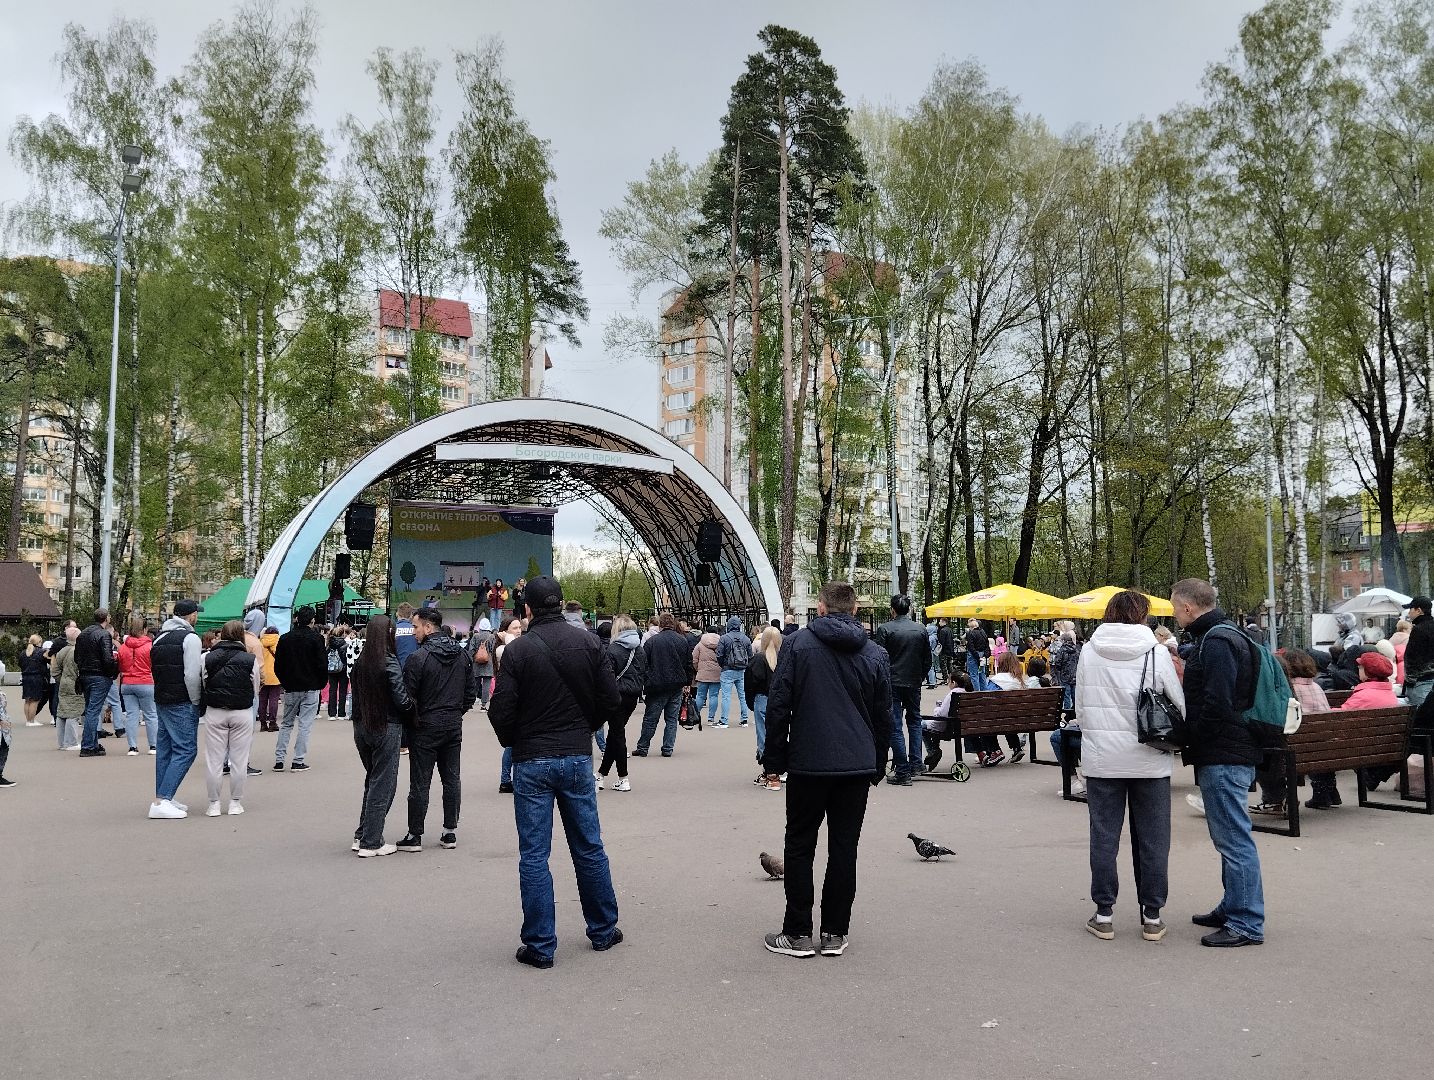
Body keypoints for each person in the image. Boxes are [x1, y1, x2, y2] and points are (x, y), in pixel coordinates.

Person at [488, 575, 624, 968]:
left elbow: (501, 711)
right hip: (576, 756)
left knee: (534, 854)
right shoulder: (590, 643)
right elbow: (610, 699)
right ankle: (602, 930)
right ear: (562, 603)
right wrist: (583, 728)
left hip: (531, 760)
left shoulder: (517, 652)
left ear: (527, 608)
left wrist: (518, 740)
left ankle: (540, 945)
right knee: (589, 846)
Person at [761, 581, 891, 959]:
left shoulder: (798, 645)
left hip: (808, 762)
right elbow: (884, 716)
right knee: (844, 848)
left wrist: (775, 759)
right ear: (854, 610)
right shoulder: (874, 653)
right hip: (856, 764)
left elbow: (778, 704)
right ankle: (835, 932)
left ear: (819, 608)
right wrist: (877, 763)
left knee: (800, 845)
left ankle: (798, 933)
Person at [1074, 591, 1185, 942]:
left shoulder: (1089, 651)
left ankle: (1104, 913)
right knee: (1154, 839)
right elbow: (1178, 704)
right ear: (1144, 616)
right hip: (1150, 760)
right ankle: (1152, 916)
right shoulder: (1156, 651)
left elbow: (1080, 708)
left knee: (1104, 838)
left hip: (1102, 761)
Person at [1171, 578, 1264, 947]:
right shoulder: (1229, 635)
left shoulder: (1218, 642)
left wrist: (1191, 736)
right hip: (1231, 748)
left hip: (1225, 752)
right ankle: (1234, 905)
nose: (1175, 614)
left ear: (1188, 608)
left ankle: (1245, 922)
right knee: (1229, 836)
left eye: (1176, 607)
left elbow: (1218, 702)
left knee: (1233, 839)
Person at [397, 608, 477, 853]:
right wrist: (454, 713)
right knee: (451, 778)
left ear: (428, 627)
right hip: (452, 725)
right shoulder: (462, 656)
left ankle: (415, 834)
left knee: (420, 782)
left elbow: (407, 698)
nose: (413, 631)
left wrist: (416, 721)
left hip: (425, 727)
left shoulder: (417, 658)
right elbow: (470, 694)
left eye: (415, 627)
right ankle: (449, 831)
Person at [350, 614, 413, 857]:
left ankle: (363, 834)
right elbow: (401, 698)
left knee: (373, 780)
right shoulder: (389, 661)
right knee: (384, 784)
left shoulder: (360, 663)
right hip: (387, 726)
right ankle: (371, 841)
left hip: (362, 727)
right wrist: (412, 709)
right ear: (389, 634)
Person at [149, 600, 205, 819]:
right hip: (181, 699)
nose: (197, 617)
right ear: (190, 616)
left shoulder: (159, 638)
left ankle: (163, 798)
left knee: (165, 748)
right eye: (195, 613)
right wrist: (196, 700)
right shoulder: (190, 638)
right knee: (186, 749)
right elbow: (191, 675)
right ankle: (163, 798)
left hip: (162, 697)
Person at [202, 619, 260, 817]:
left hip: (215, 710)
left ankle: (213, 804)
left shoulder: (207, 658)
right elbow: (255, 688)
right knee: (239, 760)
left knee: (214, 760)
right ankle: (235, 802)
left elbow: (203, 682)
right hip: (242, 711)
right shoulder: (249, 659)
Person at [874, 595, 932, 786]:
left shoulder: (885, 629)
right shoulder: (920, 629)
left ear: (892, 609)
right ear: (909, 609)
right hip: (913, 682)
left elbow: (878, 659)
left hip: (892, 682)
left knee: (895, 725)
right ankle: (916, 763)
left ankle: (902, 769)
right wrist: (920, 677)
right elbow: (927, 659)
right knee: (915, 721)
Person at [273, 606, 327, 772]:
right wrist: (320, 683)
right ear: (312, 621)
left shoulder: (285, 638)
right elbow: (322, 664)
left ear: (296, 619)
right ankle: (298, 760)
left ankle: (279, 760)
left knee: (286, 724)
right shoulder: (316, 639)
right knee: (305, 725)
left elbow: (278, 665)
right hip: (311, 687)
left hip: (291, 687)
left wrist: (284, 682)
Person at [634, 614, 695, 757]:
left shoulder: (652, 641)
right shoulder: (682, 640)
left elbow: (644, 663)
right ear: (673, 624)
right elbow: (688, 663)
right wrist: (687, 682)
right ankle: (668, 748)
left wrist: (645, 681)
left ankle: (643, 747)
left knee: (650, 718)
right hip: (676, 685)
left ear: (660, 625)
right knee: (672, 719)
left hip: (656, 685)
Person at [597, 614, 645, 792]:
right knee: (615, 734)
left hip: (616, 695)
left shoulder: (613, 650)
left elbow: (607, 678)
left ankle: (623, 777)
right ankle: (601, 774)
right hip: (633, 696)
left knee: (617, 735)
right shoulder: (640, 649)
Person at [75, 608, 119, 756]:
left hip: (85, 675)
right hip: (99, 676)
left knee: (90, 710)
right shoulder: (104, 634)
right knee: (93, 711)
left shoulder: (83, 634)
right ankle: (88, 746)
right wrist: (114, 670)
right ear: (106, 618)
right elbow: (107, 658)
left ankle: (92, 744)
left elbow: (77, 657)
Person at [745, 627, 784, 787]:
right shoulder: (784, 659)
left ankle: (770, 772)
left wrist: (750, 702)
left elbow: (749, 684)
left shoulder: (758, 659)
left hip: (762, 699)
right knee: (780, 735)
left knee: (763, 736)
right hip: (781, 701)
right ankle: (777, 768)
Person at [116, 618, 158, 756]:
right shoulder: (150, 646)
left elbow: (120, 665)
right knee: (151, 715)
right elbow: (154, 665)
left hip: (127, 683)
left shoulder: (123, 647)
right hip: (146, 681)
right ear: (144, 630)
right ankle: (153, 746)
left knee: (131, 716)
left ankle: (132, 747)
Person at [716, 616, 753, 729]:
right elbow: (750, 655)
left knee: (726, 696)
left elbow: (719, 655)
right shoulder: (745, 638)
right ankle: (744, 719)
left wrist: (723, 665)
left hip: (727, 670)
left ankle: (724, 721)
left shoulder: (724, 638)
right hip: (742, 670)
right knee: (743, 696)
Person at [51, 626, 83, 749]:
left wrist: (61, 679)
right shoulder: (78, 651)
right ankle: (71, 742)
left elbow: (55, 670)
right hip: (75, 684)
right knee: (73, 713)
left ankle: (62, 742)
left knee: (62, 712)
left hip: (63, 683)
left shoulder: (62, 651)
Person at [1402, 596, 1434, 711]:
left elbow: (1412, 657)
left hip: (1420, 682)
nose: (1409, 612)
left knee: (1418, 716)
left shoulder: (1418, 630)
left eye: (1411, 609)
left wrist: (1409, 682)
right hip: (1431, 680)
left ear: (1419, 610)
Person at [692, 625, 723, 727]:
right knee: (713, 696)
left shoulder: (700, 644)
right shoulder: (721, 643)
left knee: (700, 695)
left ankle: (695, 716)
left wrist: (698, 669)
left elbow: (694, 659)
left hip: (703, 673)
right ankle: (711, 718)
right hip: (716, 673)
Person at [20, 634, 50, 727]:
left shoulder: (23, 653)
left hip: (25, 677)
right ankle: (32, 721)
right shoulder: (42, 652)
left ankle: (28, 720)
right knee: (35, 700)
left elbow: (20, 664)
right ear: (39, 642)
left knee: (27, 700)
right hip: (37, 678)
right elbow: (49, 661)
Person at [468, 616, 497, 710]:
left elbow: (471, 650)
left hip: (476, 663)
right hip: (488, 664)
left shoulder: (476, 636)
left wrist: (471, 660)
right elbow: (494, 650)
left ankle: (470, 703)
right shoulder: (492, 637)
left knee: (475, 684)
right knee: (486, 684)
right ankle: (484, 705)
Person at [258, 625, 282, 731]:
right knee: (274, 700)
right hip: (275, 674)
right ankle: (272, 722)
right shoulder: (279, 642)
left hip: (262, 674)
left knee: (262, 700)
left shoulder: (260, 642)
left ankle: (263, 723)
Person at [325, 625, 351, 719]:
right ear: (342, 634)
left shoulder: (329, 644)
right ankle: (341, 713)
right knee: (342, 691)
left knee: (332, 690)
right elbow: (346, 658)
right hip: (343, 670)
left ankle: (331, 714)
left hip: (331, 670)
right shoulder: (345, 644)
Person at [964, 618, 991, 688]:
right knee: (982, 674)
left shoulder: (971, 633)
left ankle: (976, 692)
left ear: (971, 626)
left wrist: (977, 656)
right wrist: (984, 655)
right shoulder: (983, 632)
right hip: (982, 654)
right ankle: (984, 691)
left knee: (974, 675)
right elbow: (986, 645)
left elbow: (971, 646)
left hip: (973, 655)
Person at [1390, 619, 1411, 688]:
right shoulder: (1408, 638)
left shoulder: (1392, 638)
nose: (1410, 631)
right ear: (1404, 629)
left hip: (1392, 663)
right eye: (1409, 629)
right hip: (1404, 663)